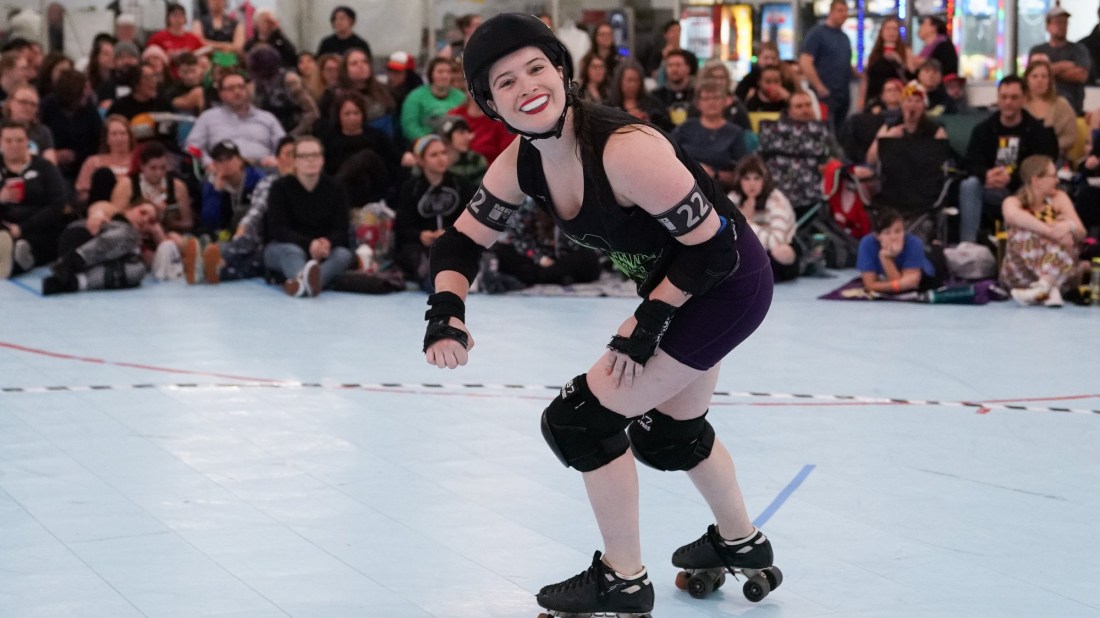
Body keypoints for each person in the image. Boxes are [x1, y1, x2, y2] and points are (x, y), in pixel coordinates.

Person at [425, 15, 778, 616]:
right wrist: (446, 311)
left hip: (725, 284)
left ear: (562, 71)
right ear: (490, 104)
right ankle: (741, 540)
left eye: (536, 68)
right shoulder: (521, 162)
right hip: (687, 286)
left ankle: (623, 578)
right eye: (506, 82)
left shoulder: (625, 149)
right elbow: (459, 243)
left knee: (580, 421)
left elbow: (716, 249)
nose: (527, 86)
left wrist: (650, 319)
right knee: (668, 438)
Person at [958, 76, 1059, 243]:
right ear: (998, 98)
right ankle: (968, 246)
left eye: (1014, 97)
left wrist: (1011, 178)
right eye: (1003, 97)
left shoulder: (1038, 132)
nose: (1008, 102)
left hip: (1023, 188)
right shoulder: (983, 130)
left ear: (1024, 99)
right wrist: (986, 175)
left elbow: (1042, 166)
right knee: (969, 185)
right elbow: (970, 162)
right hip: (989, 187)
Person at [263, 136, 353, 297]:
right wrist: (309, 244)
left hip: (323, 250)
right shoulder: (280, 187)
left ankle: (302, 284)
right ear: (295, 161)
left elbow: (341, 229)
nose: (310, 160)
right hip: (285, 247)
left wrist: (327, 243)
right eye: (304, 156)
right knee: (292, 252)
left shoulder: (336, 188)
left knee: (343, 255)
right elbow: (278, 229)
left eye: (315, 155)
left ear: (322, 160)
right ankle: (307, 280)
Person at [1000, 154, 1085, 307]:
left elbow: (1081, 232)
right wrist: (1051, 232)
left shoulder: (1059, 197)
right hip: (1020, 276)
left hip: (1060, 274)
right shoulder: (1013, 201)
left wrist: (1068, 226)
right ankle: (1049, 289)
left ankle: (1044, 287)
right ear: (1036, 180)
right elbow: (1013, 216)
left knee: (1066, 234)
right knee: (1025, 233)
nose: (1057, 180)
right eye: (1053, 176)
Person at [395, 134, 472, 288]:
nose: (441, 158)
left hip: (453, 242)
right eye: (434, 155)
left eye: (444, 153)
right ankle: (431, 279)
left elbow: (471, 220)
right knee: (411, 254)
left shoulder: (461, 184)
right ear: (420, 160)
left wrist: (450, 233)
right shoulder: (411, 188)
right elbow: (402, 227)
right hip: (421, 246)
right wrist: (420, 235)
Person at [41, 201, 158, 295]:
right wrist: (98, 214)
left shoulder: (138, 246)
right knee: (130, 234)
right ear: (129, 209)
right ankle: (71, 262)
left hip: (93, 265)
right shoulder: (117, 214)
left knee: (138, 270)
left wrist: (158, 234)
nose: (145, 220)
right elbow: (99, 207)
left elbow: (153, 263)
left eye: (151, 221)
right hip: (82, 237)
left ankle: (71, 283)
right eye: (143, 212)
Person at [0, 120, 67, 278]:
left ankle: (20, 259)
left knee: (42, 238)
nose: (14, 145)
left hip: (37, 227)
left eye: (19, 140)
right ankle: (11, 255)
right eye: (9, 141)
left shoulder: (45, 167)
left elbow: (58, 203)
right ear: (1, 142)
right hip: (4, 226)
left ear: (28, 142)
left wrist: (22, 228)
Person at [186, 71, 286, 168]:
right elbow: (191, 146)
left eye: (241, 87)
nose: (237, 92)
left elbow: (286, 146)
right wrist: (208, 163)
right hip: (223, 170)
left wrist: (275, 159)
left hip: (263, 169)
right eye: (230, 89)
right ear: (221, 94)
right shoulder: (208, 117)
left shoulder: (267, 118)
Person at [729, 155, 798, 282]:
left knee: (783, 252)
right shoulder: (734, 198)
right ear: (740, 180)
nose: (752, 184)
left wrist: (746, 221)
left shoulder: (776, 199)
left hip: (771, 254)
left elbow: (776, 241)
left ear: (764, 180)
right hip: (746, 252)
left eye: (757, 178)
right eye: (746, 178)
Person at [672, 79, 746, 191]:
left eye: (716, 98)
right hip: (683, 185)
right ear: (698, 103)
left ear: (725, 101)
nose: (711, 102)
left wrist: (714, 174)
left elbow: (742, 172)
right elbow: (669, 155)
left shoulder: (735, 133)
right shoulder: (685, 128)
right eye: (706, 98)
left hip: (720, 189)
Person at [110, 141, 194, 234]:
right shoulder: (127, 185)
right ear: (142, 166)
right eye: (153, 168)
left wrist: (165, 221)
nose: (158, 173)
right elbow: (115, 219)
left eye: (163, 168)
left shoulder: (177, 186)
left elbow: (188, 223)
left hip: (169, 234)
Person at [857, 207, 939, 294]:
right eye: (887, 233)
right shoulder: (867, 243)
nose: (894, 237)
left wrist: (886, 260)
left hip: (927, 273)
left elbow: (910, 285)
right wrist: (884, 257)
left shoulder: (914, 243)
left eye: (898, 231)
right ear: (878, 236)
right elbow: (869, 285)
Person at [865, 81, 947, 167]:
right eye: (909, 100)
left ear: (924, 107)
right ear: (902, 105)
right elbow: (870, 160)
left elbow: (942, 162)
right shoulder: (889, 127)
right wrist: (887, 139)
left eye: (918, 101)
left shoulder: (936, 131)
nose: (912, 105)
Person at [1029, 5, 1091, 115]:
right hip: (1041, 109)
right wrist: (1065, 65)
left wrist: (1048, 69)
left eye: (1065, 23)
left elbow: (1081, 75)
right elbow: (1033, 75)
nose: (1062, 26)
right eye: (1058, 22)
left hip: (1073, 108)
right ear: (1048, 26)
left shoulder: (1079, 49)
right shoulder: (1037, 50)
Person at [197, 139, 267, 236]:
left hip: (254, 231)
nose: (225, 164)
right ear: (214, 165)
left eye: (229, 158)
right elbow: (209, 222)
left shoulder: (257, 178)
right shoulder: (212, 183)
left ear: (240, 161)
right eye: (219, 160)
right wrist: (217, 192)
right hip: (224, 234)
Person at [800, 0, 853, 125]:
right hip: (825, 95)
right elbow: (805, 61)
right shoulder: (817, 34)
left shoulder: (844, 37)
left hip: (843, 95)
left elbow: (844, 63)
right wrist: (819, 86)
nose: (844, 14)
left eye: (846, 11)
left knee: (840, 131)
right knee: (824, 129)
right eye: (840, 11)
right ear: (831, 12)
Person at [74, 114, 134, 206]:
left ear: (129, 137)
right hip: (101, 207)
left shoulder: (139, 160)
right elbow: (81, 194)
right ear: (107, 139)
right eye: (114, 134)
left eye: (123, 133)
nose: (119, 138)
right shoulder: (93, 162)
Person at [401, 57, 466, 141]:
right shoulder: (415, 97)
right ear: (431, 74)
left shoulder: (461, 97)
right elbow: (410, 126)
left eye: (448, 72)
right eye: (440, 72)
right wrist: (429, 141)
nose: (445, 76)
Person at [1022, 59, 1078, 155]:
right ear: (1027, 80)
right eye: (1035, 76)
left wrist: (1049, 146)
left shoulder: (1061, 104)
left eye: (1044, 76)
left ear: (1049, 81)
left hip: (1055, 154)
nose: (1040, 80)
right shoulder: (1019, 105)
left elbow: (1070, 136)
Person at [858, 17, 910, 113]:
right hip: (875, 99)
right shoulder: (874, 54)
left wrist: (899, 61)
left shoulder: (906, 52)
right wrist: (861, 100)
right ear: (882, 32)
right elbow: (866, 78)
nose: (891, 32)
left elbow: (910, 77)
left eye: (894, 29)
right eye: (888, 29)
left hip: (897, 99)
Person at [2, 84, 56, 165]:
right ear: (10, 103)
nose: (28, 108)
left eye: (33, 104)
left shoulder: (43, 132)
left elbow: (51, 165)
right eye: (23, 102)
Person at [606, 59, 664, 125]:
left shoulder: (653, 104)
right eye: (629, 80)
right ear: (620, 82)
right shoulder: (609, 107)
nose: (633, 84)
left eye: (636, 80)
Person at [650, 49, 695, 131]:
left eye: (678, 65)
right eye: (670, 65)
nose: (674, 69)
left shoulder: (697, 95)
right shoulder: (656, 96)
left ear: (688, 68)